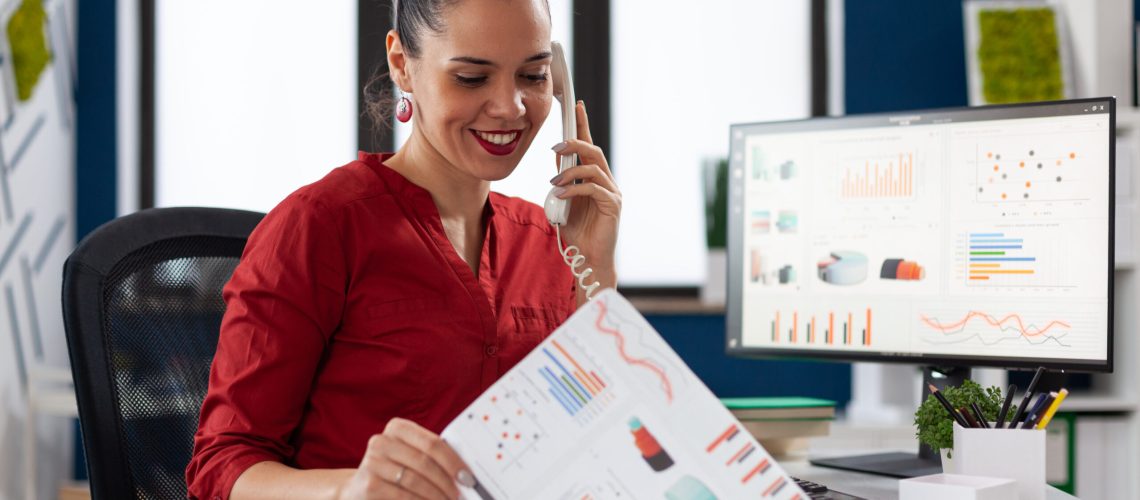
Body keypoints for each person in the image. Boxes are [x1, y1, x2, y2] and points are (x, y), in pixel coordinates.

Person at [184, 0, 621, 498]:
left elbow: (595, 442)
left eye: (534, 75)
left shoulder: (553, 239)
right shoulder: (320, 226)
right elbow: (221, 466)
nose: (511, 106)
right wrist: (349, 492)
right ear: (401, 64)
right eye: (473, 78)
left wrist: (596, 270)